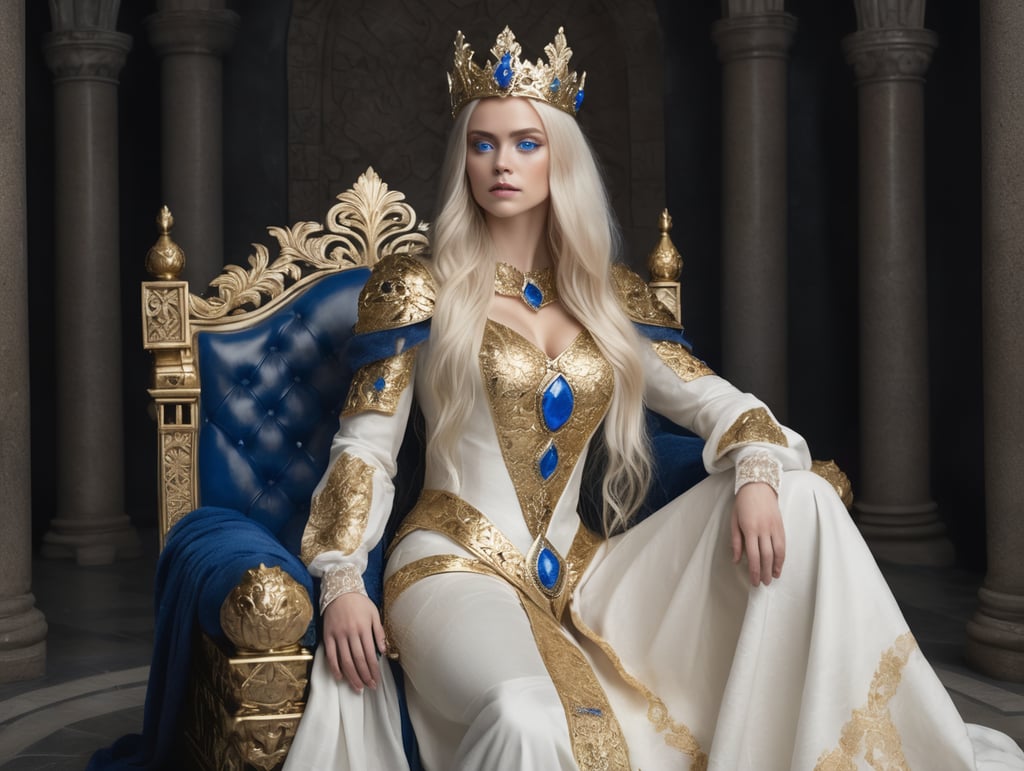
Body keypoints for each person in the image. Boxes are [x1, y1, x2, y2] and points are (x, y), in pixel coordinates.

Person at [283, 26, 1024, 771]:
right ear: (464, 161)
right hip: (451, 566)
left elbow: (724, 405)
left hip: (585, 575)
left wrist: (756, 476)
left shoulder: (607, 299)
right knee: (526, 715)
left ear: (560, 159)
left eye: (525, 143)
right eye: (483, 145)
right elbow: (364, 451)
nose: (502, 162)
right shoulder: (419, 288)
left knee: (803, 498)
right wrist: (343, 579)